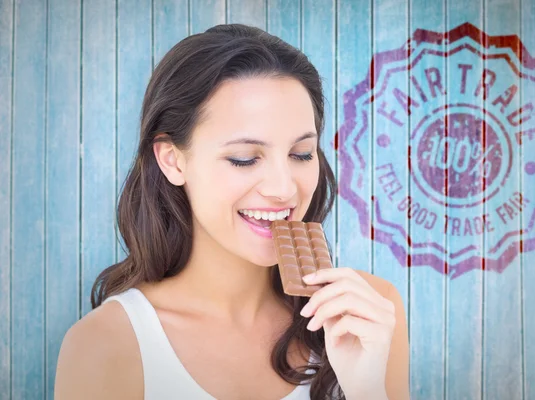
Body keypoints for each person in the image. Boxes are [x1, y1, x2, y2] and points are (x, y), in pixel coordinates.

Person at [54, 24, 409, 400]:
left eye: (301, 153)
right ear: (173, 161)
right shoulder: (107, 345)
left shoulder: (369, 314)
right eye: (244, 159)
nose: (284, 188)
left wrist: (368, 391)